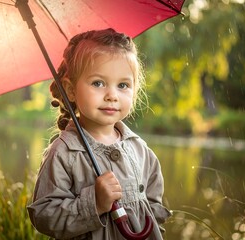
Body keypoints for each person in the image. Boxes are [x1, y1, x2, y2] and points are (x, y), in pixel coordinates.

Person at [27, 28, 171, 240]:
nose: (112, 95)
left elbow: (154, 207)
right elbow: (45, 216)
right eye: (98, 83)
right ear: (70, 90)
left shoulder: (141, 150)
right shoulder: (63, 153)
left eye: (123, 85)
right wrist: (93, 203)